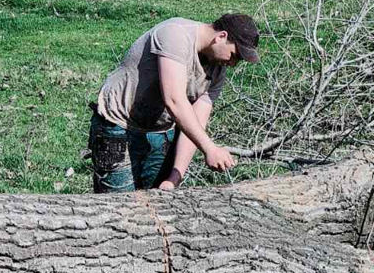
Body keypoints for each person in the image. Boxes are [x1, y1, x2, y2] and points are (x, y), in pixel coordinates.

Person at [89, 14, 259, 193]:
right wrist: (210, 148)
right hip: (118, 128)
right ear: (221, 37)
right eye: (234, 55)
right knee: (118, 207)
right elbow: (174, 100)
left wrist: (174, 177)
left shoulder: (217, 70)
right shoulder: (175, 35)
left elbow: (196, 122)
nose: (232, 63)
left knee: (156, 206)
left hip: (160, 133)